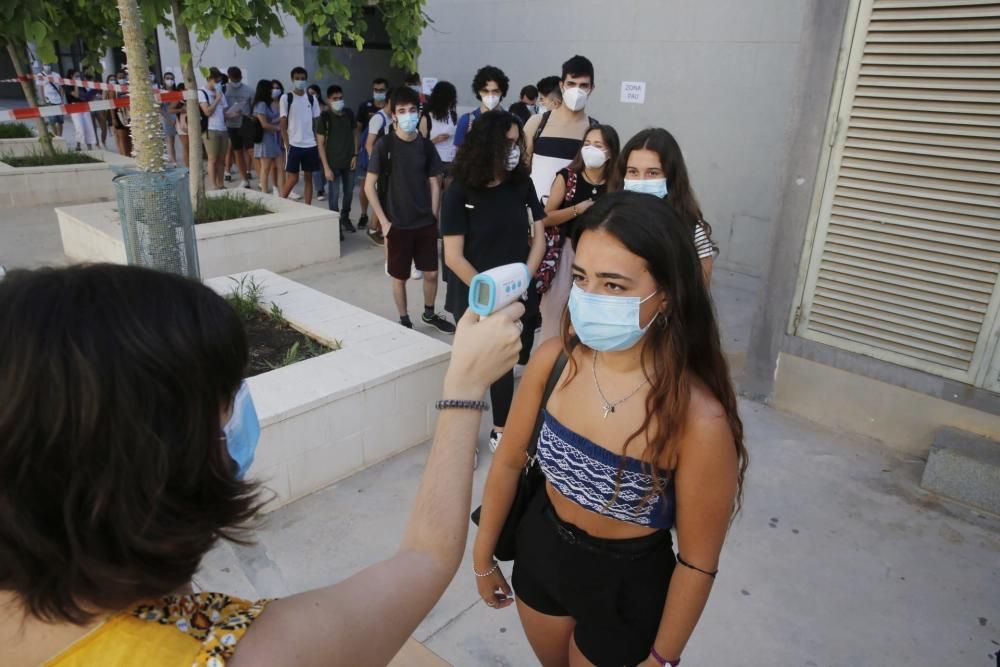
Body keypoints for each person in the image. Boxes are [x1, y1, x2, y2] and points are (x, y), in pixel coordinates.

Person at [0, 262, 525, 667]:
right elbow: (426, 560)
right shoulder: (237, 653)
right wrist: (464, 387)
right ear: (162, 461)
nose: (241, 403)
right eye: (226, 395)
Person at [472, 192, 747, 667]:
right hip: (541, 557)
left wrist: (662, 657)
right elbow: (511, 461)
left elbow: (698, 561)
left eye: (615, 285)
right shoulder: (553, 361)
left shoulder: (698, 419)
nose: (590, 297)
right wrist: (482, 558)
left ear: (667, 292)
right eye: (581, 278)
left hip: (628, 587)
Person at [442, 110, 546, 456]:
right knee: (469, 364)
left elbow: (540, 238)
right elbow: (453, 256)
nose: (514, 149)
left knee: (504, 360)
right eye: (507, 142)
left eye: (517, 142)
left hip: (515, 291)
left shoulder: (521, 184)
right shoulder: (459, 190)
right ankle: (464, 440)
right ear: (487, 144)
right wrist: (491, 295)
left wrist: (523, 280)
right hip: (473, 293)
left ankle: (500, 428)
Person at [364, 86, 454, 334]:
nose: (407, 115)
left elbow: (435, 182)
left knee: (432, 274)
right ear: (393, 115)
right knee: (399, 277)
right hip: (397, 224)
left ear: (419, 111)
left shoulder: (425, 146)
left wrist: (434, 215)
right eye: (401, 111)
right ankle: (404, 320)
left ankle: (429, 313)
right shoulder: (385, 145)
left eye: (412, 110)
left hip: (424, 223)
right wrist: (383, 221)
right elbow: (369, 186)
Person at [537, 124, 620, 344]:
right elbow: (546, 217)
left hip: (601, 257)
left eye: (598, 145)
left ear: (610, 151)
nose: (591, 149)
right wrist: (577, 209)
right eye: (587, 144)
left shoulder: (615, 184)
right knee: (555, 311)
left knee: (588, 314)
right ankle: (548, 362)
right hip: (566, 252)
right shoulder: (568, 177)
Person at [614, 128, 717, 283]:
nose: (641, 181)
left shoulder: (691, 230)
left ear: (671, 176)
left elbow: (699, 295)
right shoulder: (608, 220)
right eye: (633, 172)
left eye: (653, 173)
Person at [524, 56, 600, 205]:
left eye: (583, 85)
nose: (577, 90)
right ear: (562, 85)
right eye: (571, 83)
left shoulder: (594, 131)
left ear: (591, 89)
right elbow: (521, 169)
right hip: (534, 217)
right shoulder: (537, 123)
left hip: (574, 219)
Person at [317, 84, 360, 238]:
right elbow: (320, 144)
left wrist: (355, 155)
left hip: (349, 162)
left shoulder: (348, 114)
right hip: (333, 164)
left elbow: (356, 134)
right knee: (334, 195)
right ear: (328, 100)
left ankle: (345, 218)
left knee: (349, 193)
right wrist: (326, 167)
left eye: (340, 98)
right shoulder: (324, 118)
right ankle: (335, 226)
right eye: (335, 99)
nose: (338, 101)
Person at [279, 67, 322, 205]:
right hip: (294, 144)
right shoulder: (286, 98)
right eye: (297, 78)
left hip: (310, 144)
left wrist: (318, 142)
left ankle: (307, 207)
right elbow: (282, 124)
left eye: (303, 78)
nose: (300, 81)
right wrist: (287, 144)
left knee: (309, 177)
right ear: (292, 79)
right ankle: (279, 204)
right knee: (293, 178)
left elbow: (317, 122)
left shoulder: (311, 98)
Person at [355, 77, 390, 230]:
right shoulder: (365, 107)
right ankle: (364, 214)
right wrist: (357, 153)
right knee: (365, 188)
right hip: (368, 156)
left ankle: (376, 224)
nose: (379, 93)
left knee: (381, 192)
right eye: (376, 90)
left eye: (382, 90)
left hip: (382, 157)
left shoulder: (390, 113)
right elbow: (359, 131)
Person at [362, 87, 394, 246]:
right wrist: (376, 165)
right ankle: (373, 228)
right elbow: (369, 144)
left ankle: (378, 227)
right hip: (379, 165)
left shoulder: (393, 118)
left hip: (388, 163)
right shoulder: (378, 118)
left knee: (384, 196)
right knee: (379, 196)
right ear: (389, 102)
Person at [199, 68, 239, 190]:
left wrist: (235, 112)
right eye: (216, 81)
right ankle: (214, 185)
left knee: (222, 159)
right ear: (209, 79)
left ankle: (221, 183)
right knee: (212, 158)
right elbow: (207, 112)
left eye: (220, 81)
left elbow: (225, 113)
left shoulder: (220, 94)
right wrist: (217, 98)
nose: (218, 84)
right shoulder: (202, 92)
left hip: (223, 128)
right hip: (210, 129)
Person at [453, 65, 509, 147]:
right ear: (478, 92)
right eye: (485, 91)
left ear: (502, 92)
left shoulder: (511, 121)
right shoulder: (466, 120)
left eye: (495, 91)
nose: (490, 95)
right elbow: (458, 153)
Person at [418, 80, 458, 174]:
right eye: (449, 99)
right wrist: (434, 140)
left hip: (451, 160)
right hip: (433, 161)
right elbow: (420, 145)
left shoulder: (453, 115)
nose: (451, 103)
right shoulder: (426, 118)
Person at [223, 66, 253, 188]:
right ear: (229, 77)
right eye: (233, 79)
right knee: (238, 152)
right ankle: (244, 179)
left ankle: (256, 176)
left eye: (237, 79)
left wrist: (247, 115)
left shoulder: (249, 90)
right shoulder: (224, 90)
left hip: (246, 124)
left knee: (251, 152)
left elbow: (254, 108)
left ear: (241, 77)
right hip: (231, 125)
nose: (235, 82)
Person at [252, 79, 282, 195]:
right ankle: (264, 192)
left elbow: (270, 120)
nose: (272, 91)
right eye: (270, 88)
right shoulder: (261, 104)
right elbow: (264, 124)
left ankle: (280, 191)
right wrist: (277, 128)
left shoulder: (266, 104)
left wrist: (279, 119)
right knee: (266, 168)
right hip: (265, 139)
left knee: (280, 166)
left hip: (272, 138)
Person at [63, 69, 96, 151]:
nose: (78, 78)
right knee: (79, 127)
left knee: (88, 126)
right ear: (71, 76)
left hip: (84, 106)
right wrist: (76, 84)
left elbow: (86, 95)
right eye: (76, 76)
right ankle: (78, 145)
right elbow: (76, 95)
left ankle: (89, 146)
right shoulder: (68, 86)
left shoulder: (82, 84)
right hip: (75, 107)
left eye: (79, 76)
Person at [307, 84, 329, 200]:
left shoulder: (324, 107)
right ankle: (319, 190)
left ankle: (323, 185)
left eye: (314, 93)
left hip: (326, 139)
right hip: (312, 139)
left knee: (324, 163)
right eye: (310, 93)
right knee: (316, 166)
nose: (312, 95)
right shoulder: (305, 107)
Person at [270, 80, 286, 195]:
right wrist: (279, 122)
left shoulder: (284, 101)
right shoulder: (267, 104)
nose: (275, 90)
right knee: (273, 165)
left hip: (283, 134)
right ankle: (275, 186)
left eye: (277, 88)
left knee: (283, 164)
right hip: (272, 135)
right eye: (273, 88)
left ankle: (284, 187)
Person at [110, 69, 131, 157]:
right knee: (122, 139)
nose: (122, 79)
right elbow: (111, 105)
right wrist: (113, 118)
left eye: (123, 77)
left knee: (130, 139)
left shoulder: (129, 87)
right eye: (119, 78)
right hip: (119, 115)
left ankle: (131, 157)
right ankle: (124, 157)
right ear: (116, 79)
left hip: (130, 116)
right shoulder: (114, 90)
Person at [39, 64, 64, 138]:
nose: (47, 66)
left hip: (58, 100)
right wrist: (43, 100)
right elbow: (41, 88)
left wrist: (61, 98)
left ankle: (60, 136)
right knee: (52, 121)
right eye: (45, 65)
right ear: (43, 66)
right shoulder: (40, 75)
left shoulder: (56, 75)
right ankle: (55, 136)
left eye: (48, 64)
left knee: (60, 121)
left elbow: (61, 87)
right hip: (48, 101)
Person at [160, 72, 179, 167]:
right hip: (168, 120)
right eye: (167, 78)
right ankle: (174, 161)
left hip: (179, 119)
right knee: (170, 142)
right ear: (164, 80)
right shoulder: (161, 92)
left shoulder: (177, 91)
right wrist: (168, 119)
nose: (169, 80)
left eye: (171, 78)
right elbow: (160, 109)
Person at [173, 82, 189, 167]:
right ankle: (188, 168)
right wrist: (181, 110)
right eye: (184, 89)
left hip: (191, 125)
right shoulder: (178, 99)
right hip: (182, 125)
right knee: (186, 146)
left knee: (192, 147)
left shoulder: (191, 98)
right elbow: (170, 109)